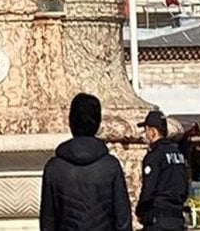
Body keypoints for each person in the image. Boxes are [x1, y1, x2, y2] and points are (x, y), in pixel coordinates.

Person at [40, 93, 132, 231]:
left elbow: (47, 222)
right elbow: (123, 220)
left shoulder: (54, 168)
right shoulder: (111, 166)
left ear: (70, 121)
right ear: (98, 123)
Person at [135, 111, 188, 230]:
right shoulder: (178, 154)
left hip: (159, 219)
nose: (146, 134)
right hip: (177, 218)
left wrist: (140, 211)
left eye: (146, 130)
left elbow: (149, 189)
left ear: (153, 132)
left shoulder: (154, 156)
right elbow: (184, 187)